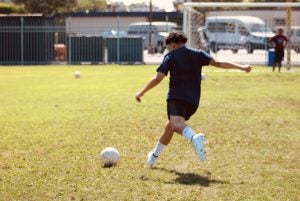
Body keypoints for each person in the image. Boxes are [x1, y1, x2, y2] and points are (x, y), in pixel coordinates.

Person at [135, 32, 252, 167]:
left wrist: (141, 92)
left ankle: (194, 138)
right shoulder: (198, 54)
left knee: (176, 124)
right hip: (193, 101)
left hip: (176, 98)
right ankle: (153, 157)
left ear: (172, 44)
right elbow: (218, 63)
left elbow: (158, 78)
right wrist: (241, 67)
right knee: (169, 127)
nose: (168, 50)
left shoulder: (171, 56)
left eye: (168, 47)